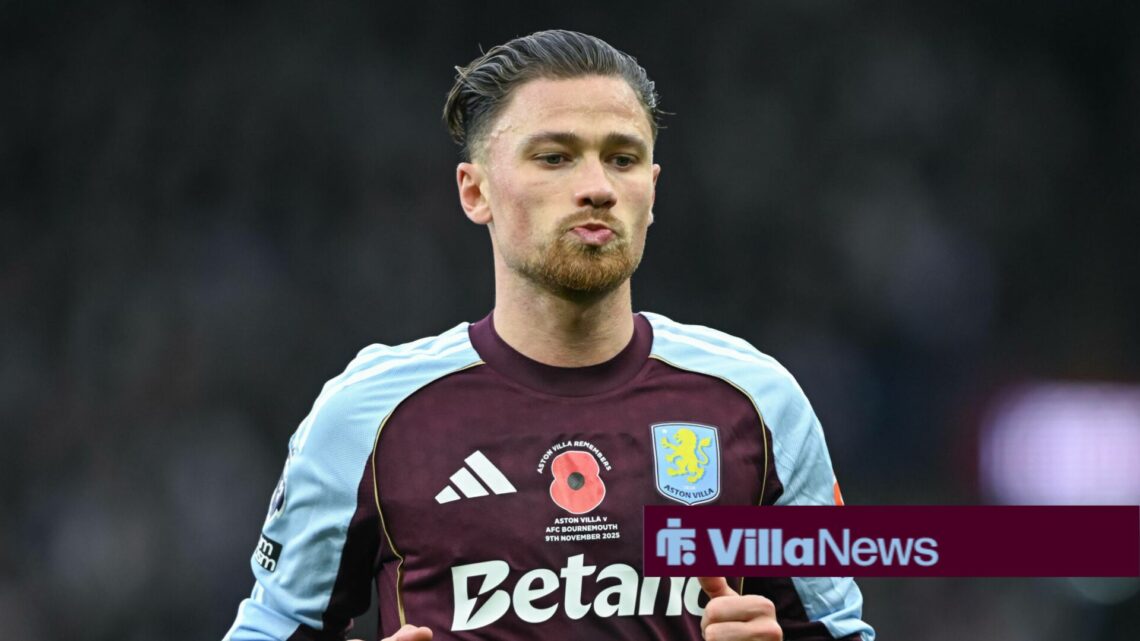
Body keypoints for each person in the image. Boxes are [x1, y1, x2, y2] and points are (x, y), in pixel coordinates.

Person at [223, 29, 874, 641]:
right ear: (475, 191)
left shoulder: (760, 405)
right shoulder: (365, 416)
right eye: (555, 157)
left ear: (651, 188)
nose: (596, 188)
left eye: (622, 158)